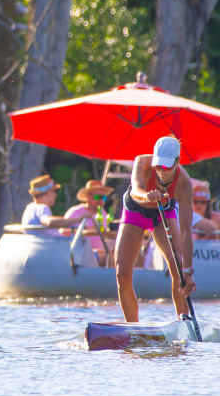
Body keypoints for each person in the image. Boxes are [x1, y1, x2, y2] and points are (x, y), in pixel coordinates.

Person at [114, 135, 196, 322]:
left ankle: (183, 321)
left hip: (163, 215)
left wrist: (189, 271)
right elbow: (136, 190)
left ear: (177, 162)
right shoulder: (142, 163)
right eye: (158, 165)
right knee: (122, 274)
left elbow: (186, 231)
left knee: (179, 269)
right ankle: (133, 327)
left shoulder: (184, 183)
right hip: (135, 211)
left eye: (167, 167)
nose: (161, 171)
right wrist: (147, 196)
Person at [62, 179, 115, 263]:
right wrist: (85, 231)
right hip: (78, 254)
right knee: (111, 259)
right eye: (98, 197)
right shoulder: (76, 212)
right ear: (88, 197)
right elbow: (63, 232)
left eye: (103, 197)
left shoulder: (103, 213)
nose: (101, 200)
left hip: (97, 254)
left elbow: (103, 234)